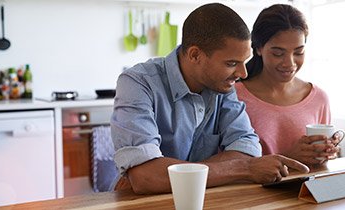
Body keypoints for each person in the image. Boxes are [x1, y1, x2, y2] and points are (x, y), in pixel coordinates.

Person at [111, 3, 309, 194]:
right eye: (232, 63)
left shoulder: (222, 84)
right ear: (195, 55)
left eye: (244, 62)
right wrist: (245, 169)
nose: (243, 73)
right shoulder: (138, 82)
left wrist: (167, 174)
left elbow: (247, 148)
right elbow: (145, 177)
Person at [235, 4, 341, 166]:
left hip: (308, 189)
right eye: (278, 53)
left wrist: (329, 152)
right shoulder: (235, 96)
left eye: (298, 52)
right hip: (256, 191)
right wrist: (290, 158)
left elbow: (322, 163)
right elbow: (231, 166)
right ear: (258, 49)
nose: (289, 63)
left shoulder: (318, 98)